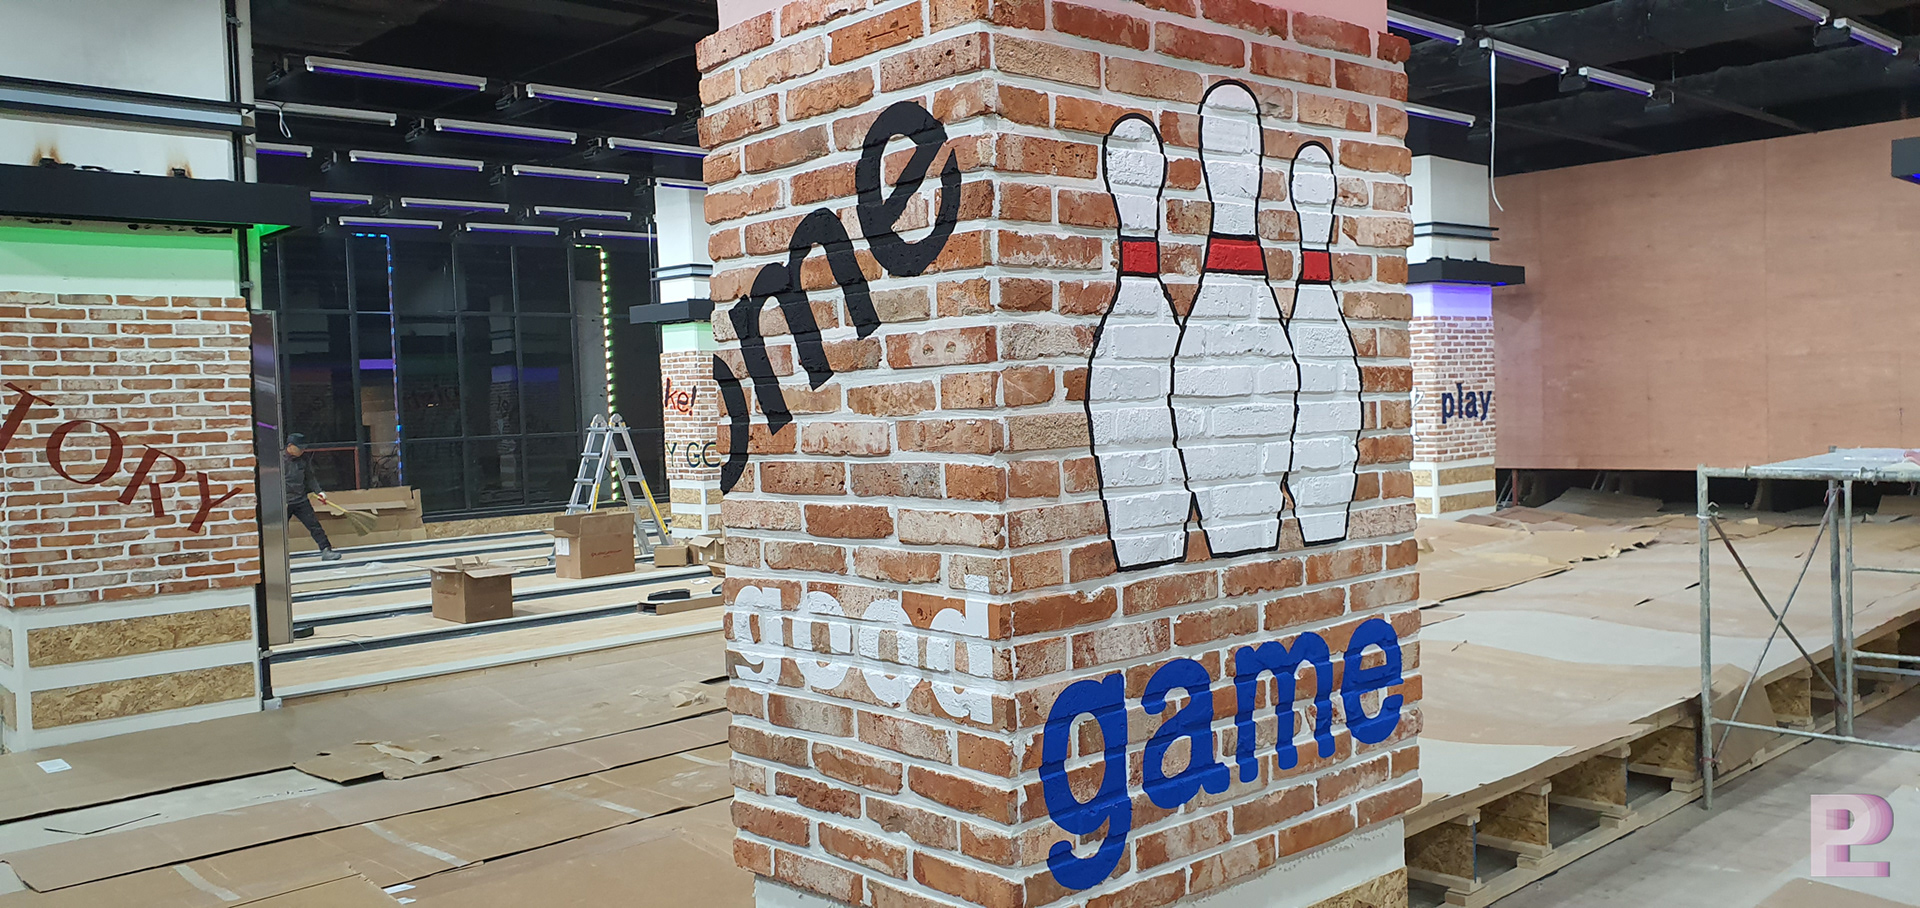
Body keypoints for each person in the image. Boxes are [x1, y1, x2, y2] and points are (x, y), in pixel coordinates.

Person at [285, 434, 340, 561]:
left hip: (300, 500)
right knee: (278, 531)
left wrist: (319, 491)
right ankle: (275, 556)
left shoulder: (303, 459)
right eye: (300, 448)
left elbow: (310, 477)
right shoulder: (277, 461)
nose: (302, 450)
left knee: (314, 525)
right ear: (290, 446)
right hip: (283, 502)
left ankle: (326, 550)